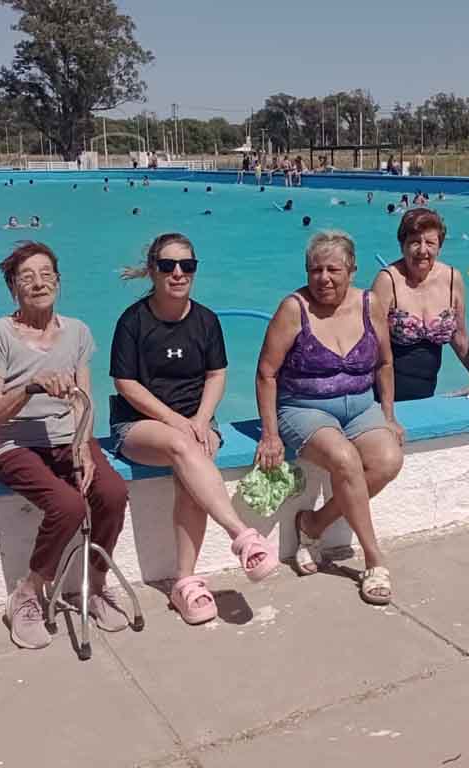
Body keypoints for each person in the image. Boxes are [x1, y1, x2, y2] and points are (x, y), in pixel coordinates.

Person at [110, 233, 279, 625]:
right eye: (167, 266)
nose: (178, 273)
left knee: (191, 473)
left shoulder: (205, 320)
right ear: (152, 270)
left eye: (187, 266)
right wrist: (176, 421)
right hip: (139, 425)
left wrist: (202, 419)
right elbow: (126, 383)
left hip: (197, 422)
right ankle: (241, 535)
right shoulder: (133, 322)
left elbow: (216, 374)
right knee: (182, 446)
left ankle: (184, 582)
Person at [0, 242, 130, 649]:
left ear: (58, 281)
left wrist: (83, 446)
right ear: (13, 288)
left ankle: (95, 585)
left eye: (46, 275)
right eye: (27, 277)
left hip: (66, 439)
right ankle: (28, 592)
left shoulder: (77, 332)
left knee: (112, 492)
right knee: (68, 505)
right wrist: (30, 387)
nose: (38, 283)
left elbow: (83, 399)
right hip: (13, 443)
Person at [255, 231, 403, 605]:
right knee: (345, 460)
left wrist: (388, 414)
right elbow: (266, 373)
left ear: (351, 270)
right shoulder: (294, 309)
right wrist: (270, 434)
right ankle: (374, 559)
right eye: (315, 270)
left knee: (388, 461)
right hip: (303, 407)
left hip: (361, 406)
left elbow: (385, 363)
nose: (323, 278)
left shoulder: (370, 304)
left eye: (333, 269)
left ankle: (314, 523)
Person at [371, 208, 469, 401]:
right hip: (383, 392)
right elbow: (372, 345)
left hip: (426, 391)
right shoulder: (387, 281)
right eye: (414, 242)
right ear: (402, 245)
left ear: (439, 247)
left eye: (430, 243)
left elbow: (460, 337)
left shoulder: (452, 278)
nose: (422, 250)